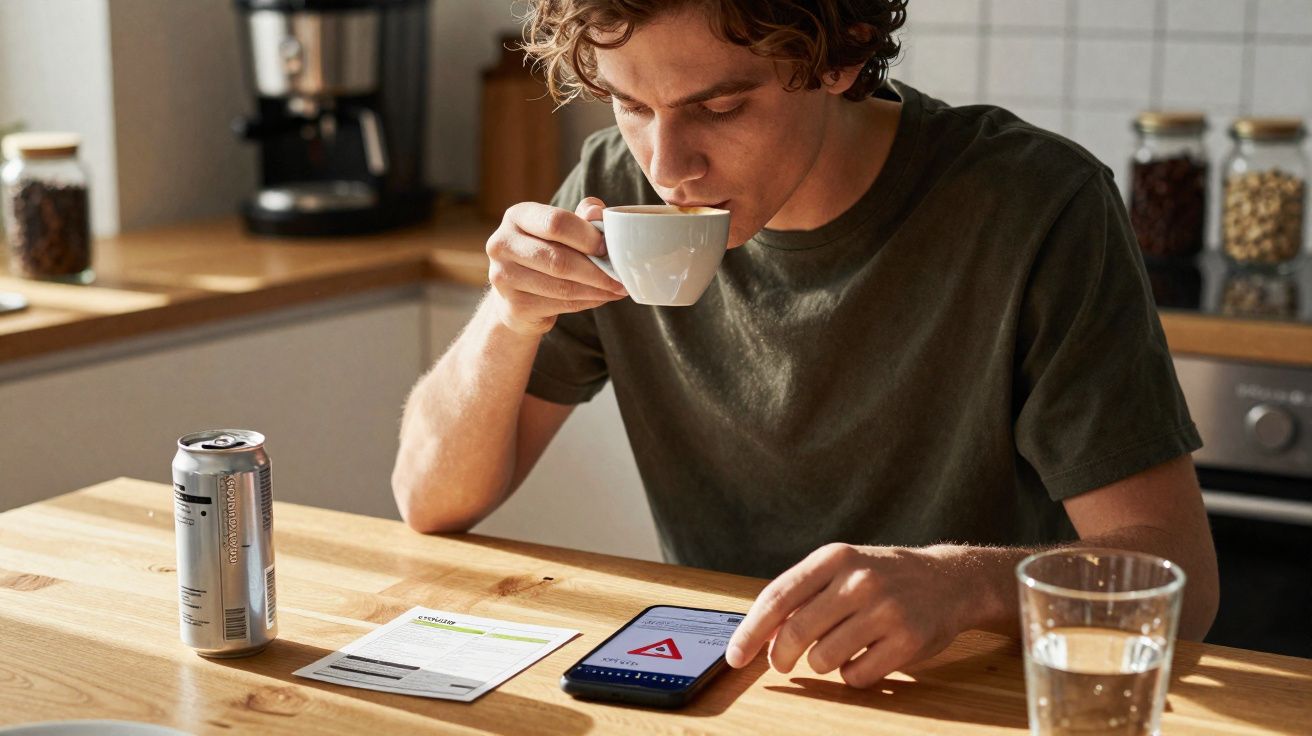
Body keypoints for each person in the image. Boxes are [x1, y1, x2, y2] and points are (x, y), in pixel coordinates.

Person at [392, 0, 1219, 688]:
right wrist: (508, 320)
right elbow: (430, 500)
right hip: (731, 687)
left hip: (971, 693)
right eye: (632, 106)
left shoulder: (1034, 206)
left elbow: (1178, 574)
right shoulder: (610, 194)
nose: (667, 166)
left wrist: (958, 585)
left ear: (845, 57)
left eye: (719, 107)